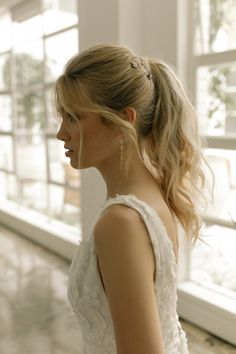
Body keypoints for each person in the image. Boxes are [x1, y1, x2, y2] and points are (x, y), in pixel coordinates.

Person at [55, 44, 208, 354]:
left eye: (72, 117)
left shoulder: (121, 222)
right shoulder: (155, 193)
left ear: (121, 121)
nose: (61, 133)